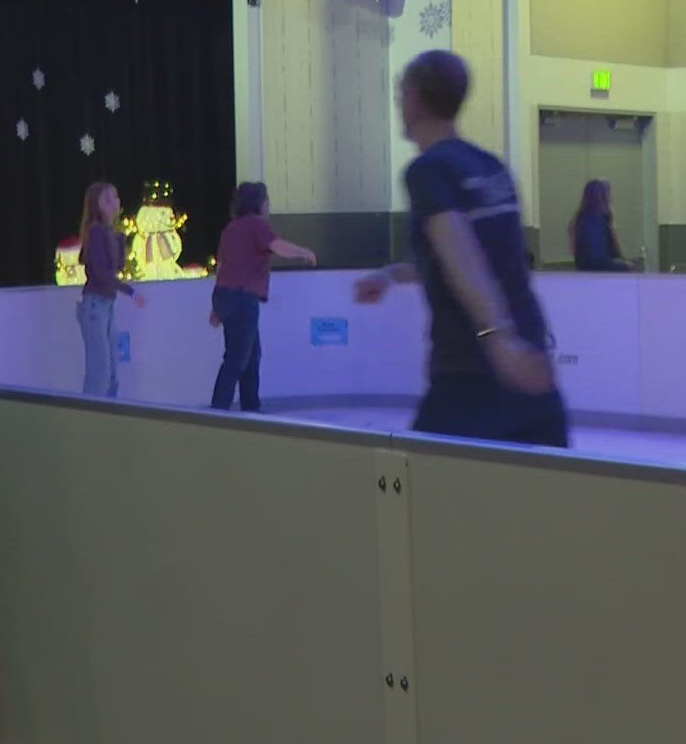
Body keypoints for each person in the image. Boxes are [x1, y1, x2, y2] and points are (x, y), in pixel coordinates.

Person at [353, 51, 567, 447]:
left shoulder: (428, 170)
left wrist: (500, 341)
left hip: (473, 374)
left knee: (420, 494)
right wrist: (388, 275)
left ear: (415, 99)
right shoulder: (490, 166)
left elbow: (461, 254)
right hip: (532, 359)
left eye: (401, 93)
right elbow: (464, 259)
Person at [209, 182, 317, 412]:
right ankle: (218, 412)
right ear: (258, 203)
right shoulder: (256, 225)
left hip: (226, 296)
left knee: (250, 354)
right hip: (242, 298)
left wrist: (217, 308)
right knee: (237, 358)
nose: (269, 205)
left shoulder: (231, 228)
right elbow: (279, 247)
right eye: (266, 200)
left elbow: (222, 268)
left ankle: (250, 407)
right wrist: (304, 252)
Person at [77, 181, 145, 398]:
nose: (114, 202)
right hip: (95, 305)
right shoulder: (96, 232)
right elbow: (102, 273)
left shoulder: (106, 232)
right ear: (96, 205)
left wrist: (119, 240)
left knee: (112, 369)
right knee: (100, 370)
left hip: (105, 305)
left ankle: (106, 414)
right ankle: (92, 417)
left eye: (115, 197)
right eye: (107, 199)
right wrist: (131, 292)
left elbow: (116, 267)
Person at [569, 179, 631, 272]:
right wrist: (624, 265)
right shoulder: (595, 220)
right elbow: (598, 257)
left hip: (587, 269)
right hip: (598, 271)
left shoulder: (582, 217)